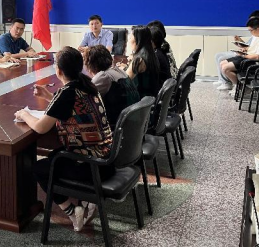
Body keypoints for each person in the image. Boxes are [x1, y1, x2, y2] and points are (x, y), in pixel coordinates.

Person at [15, 47, 114, 233]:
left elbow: (41, 127)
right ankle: (87, 199)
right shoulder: (87, 85)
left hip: (90, 164)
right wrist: (48, 96)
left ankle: (72, 211)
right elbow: (71, 106)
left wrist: (24, 114)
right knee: (54, 155)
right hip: (107, 157)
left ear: (59, 70)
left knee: (39, 168)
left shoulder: (67, 92)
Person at [84, 45, 140, 127]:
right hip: (132, 124)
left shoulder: (104, 77)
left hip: (117, 126)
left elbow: (84, 99)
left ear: (90, 65)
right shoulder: (120, 71)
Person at [215, 10, 259, 91]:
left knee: (224, 65)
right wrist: (241, 45)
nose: (251, 32)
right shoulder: (258, 34)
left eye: (251, 30)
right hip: (246, 56)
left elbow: (258, 57)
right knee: (220, 60)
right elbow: (250, 47)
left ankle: (237, 86)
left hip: (250, 60)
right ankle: (226, 82)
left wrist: (243, 54)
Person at [119, 26, 161, 98]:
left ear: (137, 40)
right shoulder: (151, 54)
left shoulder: (139, 60)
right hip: (150, 98)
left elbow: (125, 82)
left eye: (130, 38)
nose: (128, 41)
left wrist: (118, 71)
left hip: (140, 99)